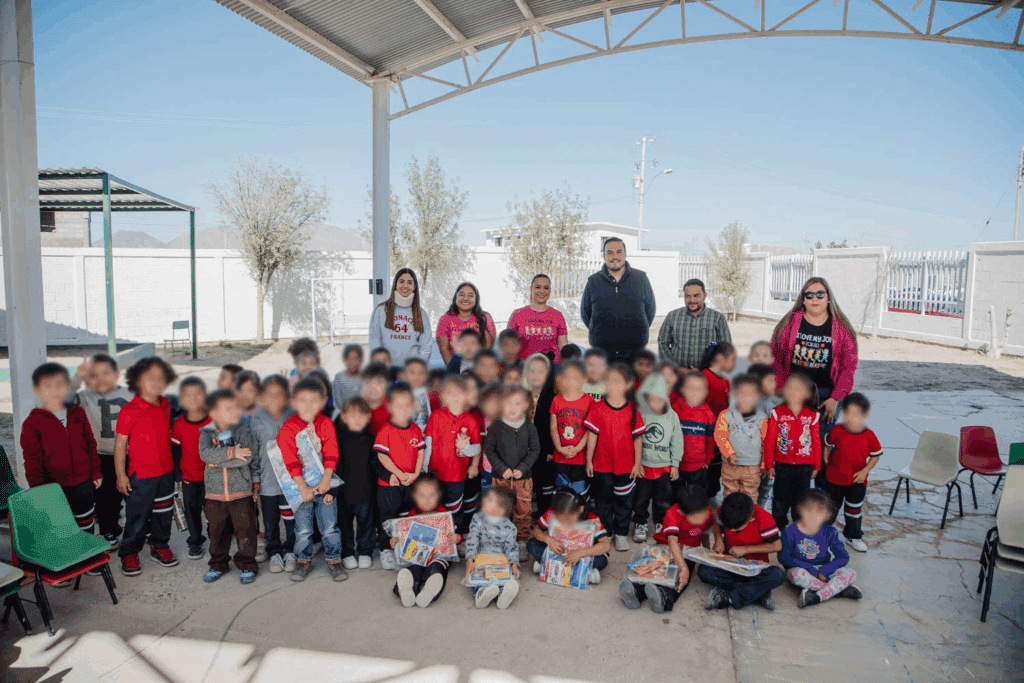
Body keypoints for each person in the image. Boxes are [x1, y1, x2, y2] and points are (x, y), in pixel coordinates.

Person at [770, 277, 859, 486]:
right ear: (803, 299)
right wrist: (782, 390)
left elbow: (848, 368)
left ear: (828, 298)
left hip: (827, 397)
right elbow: (776, 357)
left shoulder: (841, 329)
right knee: (791, 442)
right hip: (794, 395)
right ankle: (792, 493)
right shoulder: (790, 323)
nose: (815, 299)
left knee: (821, 444)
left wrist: (836, 398)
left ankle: (819, 494)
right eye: (809, 295)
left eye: (820, 294)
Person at [22, 363, 102, 561]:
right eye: (47, 385)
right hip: (54, 488)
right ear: (37, 390)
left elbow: (90, 443)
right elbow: (32, 461)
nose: (55, 390)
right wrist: (39, 490)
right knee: (61, 527)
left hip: (83, 482)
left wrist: (96, 471)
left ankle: (87, 556)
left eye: (60, 385)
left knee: (86, 522)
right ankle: (66, 560)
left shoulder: (78, 413)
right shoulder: (32, 423)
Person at [115, 357, 179, 577]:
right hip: (141, 475)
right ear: (137, 381)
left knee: (164, 513)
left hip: (166, 472)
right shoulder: (129, 410)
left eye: (160, 378)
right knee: (137, 516)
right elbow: (120, 445)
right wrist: (121, 475)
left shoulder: (165, 404)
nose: (155, 383)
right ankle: (129, 552)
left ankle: (159, 545)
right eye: (149, 378)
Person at [277, 377, 345, 582]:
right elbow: (289, 460)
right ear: (293, 402)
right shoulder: (288, 428)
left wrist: (326, 482)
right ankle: (303, 559)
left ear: (323, 402)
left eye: (313, 400)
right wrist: (302, 488)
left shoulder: (326, 424)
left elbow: (332, 452)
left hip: (324, 485)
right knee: (303, 529)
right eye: (302, 400)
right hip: (301, 488)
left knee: (330, 527)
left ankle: (334, 558)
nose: (308, 405)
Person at [621, 485, 719, 613]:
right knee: (654, 570)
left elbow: (713, 524)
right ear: (682, 513)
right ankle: (636, 590)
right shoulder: (672, 514)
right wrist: (683, 568)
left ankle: (665, 596)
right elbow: (672, 542)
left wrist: (717, 540)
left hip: (689, 552)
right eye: (698, 515)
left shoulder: (706, 511)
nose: (703, 517)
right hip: (664, 546)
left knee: (680, 578)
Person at [199, 389, 260, 584]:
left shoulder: (243, 431)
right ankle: (218, 564)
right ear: (213, 413)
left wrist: (216, 461)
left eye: (236, 408)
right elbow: (204, 454)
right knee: (217, 532)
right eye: (228, 408)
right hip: (214, 494)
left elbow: (246, 458)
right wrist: (232, 452)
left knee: (246, 531)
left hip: (241, 492)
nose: (235, 412)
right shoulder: (206, 433)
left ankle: (247, 564)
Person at [73, 353, 134, 548]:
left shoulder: (131, 394)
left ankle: (139, 528)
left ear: (117, 374)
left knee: (135, 494)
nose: (99, 379)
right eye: (93, 375)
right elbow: (62, 398)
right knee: (106, 498)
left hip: (132, 454)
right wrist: (77, 377)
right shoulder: (84, 396)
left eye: (105, 373)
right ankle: (109, 529)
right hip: (102, 455)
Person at [585, 363, 646, 552]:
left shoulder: (632, 410)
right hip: (601, 465)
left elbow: (638, 439)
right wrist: (589, 461)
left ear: (628, 384)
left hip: (626, 467)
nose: (613, 385)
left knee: (624, 502)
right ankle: (606, 533)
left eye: (618, 381)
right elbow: (592, 436)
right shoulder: (597, 408)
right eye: (609, 381)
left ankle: (621, 534)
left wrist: (637, 464)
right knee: (603, 502)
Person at [239, 375, 296, 574]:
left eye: (279, 395)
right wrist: (255, 479)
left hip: (291, 481)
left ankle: (290, 550)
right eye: (269, 395)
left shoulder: (293, 416)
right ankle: (275, 552)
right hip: (267, 482)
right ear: (261, 398)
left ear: (287, 397)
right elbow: (253, 454)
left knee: (291, 520)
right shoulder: (256, 421)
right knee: (270, 522)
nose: (274, 399)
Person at [699, 492, 786, 611]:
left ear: (750, 519)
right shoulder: (726, 510)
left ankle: (730, 597)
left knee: (778, 574)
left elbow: (777, 546)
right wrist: (718, 539)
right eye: (730, 527)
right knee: (703, 571)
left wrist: (746, 549)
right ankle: (757, 592)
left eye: (736, 528)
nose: (733, 531)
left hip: (755, 568)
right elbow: (715, 522)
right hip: (731, 565)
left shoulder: (763, 518)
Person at [779, 489, 861, 608]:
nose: (813, 516)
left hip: (824, 568)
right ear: (800, 509)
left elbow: (843, 557)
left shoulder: (830, 532)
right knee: (796, 575)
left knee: (851, 573)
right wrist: (813, 571)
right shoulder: (790, 532)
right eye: (809, 510)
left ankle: (816, 596)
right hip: (802, 569)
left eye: (819, 512)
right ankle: (838, 590)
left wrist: (825, 571)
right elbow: (784, 558)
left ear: (827, 514)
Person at [375, 382, 426, 570]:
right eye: (399, 405)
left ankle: (404, 547)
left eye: (407, 405)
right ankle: (385, 549)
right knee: (389, 518)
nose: (404, 409)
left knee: (406, 516)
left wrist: (416, 474)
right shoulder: (386, 430)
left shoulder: (415, 429)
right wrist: (398, 473)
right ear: (390, 407)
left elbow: (420, 452)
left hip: (410, 482)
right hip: (390, 485)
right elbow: (382, 456)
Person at [822, 393, 882, 553]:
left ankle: (853, 536)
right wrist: (826, 459)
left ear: (864, 415)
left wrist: (864, 472)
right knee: (830, 509)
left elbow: (875, 456)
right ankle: (823, 536)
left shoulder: (869, 435)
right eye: (848, 413)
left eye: (856, 414)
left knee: (854, 511)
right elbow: (827, 443)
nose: (851, 417)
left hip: (857, 482)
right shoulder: (836, 430)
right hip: (834, 480)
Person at [580, 237, 656, 363]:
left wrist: (639, 332)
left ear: (625, 254)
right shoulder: (593, 281)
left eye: (619, 252)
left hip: (635, 353)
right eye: (610, 252)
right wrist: (600, 333)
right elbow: (585, 313)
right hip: (602, 353)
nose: (614, 256)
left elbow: (650, 310)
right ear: (604, 256)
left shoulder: (641, 279)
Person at [393, 474, 463, 608]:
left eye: (431, 496)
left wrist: (458, 538)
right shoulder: (412, 515)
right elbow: (404, 537)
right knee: (413, 566)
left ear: (439, 495)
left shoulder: (444, 515)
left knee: (437, 567)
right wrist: (396, 541)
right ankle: (406, 589)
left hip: (439, 555)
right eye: (422, 496)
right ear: (414, 496)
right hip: (418, 554)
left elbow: (455, 534)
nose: (427, 500)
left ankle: (429, 590)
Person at [763, 373, 821, 532]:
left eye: (797, 389)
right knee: (780, 498)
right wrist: (769, 464)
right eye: (789, 388)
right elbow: (769, 440)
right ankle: (778, 527)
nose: (792, 392)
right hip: (783, 465)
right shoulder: (777, 413)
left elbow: (816, 442)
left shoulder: (813, 415)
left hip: (805, 466)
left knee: (801, 499)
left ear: (807, 393)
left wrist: (816, 466)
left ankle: (798, 528)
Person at [425, 375, 482, 534]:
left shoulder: (470, 421)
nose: (455, 396)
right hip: (434, 472)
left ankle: (456, 537)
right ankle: (437, 538)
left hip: (457, 474)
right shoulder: (436, 416)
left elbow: (477, 448)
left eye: (459, 392)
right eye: (449, 392)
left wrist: (472, 461)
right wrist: (423, 467)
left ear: (466, 395)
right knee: (435, 507)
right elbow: (428, 442)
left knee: (455, 508)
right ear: (442, 396)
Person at [484, 384, 540, 541]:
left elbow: (535, 449)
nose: (513, 407)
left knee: (523, 508)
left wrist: (523, 467)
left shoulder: (529, 427)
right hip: (500, 477)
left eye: (518, 403)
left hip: (523, 478)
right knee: (500, 507)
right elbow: (489, 450)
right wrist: (501, 468)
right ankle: (499, 535)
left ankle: (521, 536)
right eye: (509, 403)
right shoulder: (495, 426)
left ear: (526, 406)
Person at [632, 371, 684, 542]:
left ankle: (660, 522)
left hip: (664, 466)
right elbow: (634, 438)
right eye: (651, 399)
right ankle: (640, 522)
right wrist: (636, 463)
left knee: (663, 499)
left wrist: (675, 464)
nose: (655, 404)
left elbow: (677, 441)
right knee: (641, 498)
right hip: (644, 466)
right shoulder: (641, 413)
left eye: (659, 399)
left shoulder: (672, 416)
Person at [528, 489, 611, 584]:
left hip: (582, 555)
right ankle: (585, 572)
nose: (565, 523)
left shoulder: (592, 519)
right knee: (531, 544)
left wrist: (580, 553)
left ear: (580, 509)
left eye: (569, 519)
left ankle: (545, 565)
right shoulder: (552, 512)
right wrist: (548, 539)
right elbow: (535, 530)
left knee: (602, 560)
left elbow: (606, 545)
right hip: (559, 552)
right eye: (561, 519)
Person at [170, 377, 211, 561]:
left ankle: (216, 535)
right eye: (188, 395)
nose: (193, 399)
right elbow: (176, 452)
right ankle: (195, 540)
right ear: (181, 399)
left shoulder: (212, 421)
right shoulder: (179, 424)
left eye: (197, 394)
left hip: (211, 476)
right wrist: (178, 476)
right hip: (189, 477)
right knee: (191, 510)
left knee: (213, 509)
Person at [334, 397, 377, 570]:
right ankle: (347, 552)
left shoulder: (371, 439)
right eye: (352, 415)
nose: (357, 419)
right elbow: (334, 465)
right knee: (344, 524)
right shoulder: (338, 439)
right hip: (343, 491)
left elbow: (375, 464)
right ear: (343, 417)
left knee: (366, 522)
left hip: (365, 489)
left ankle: (365, 551)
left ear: (368, 417)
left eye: (362, 415)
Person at [464, 487, 521, 609]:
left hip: (500, 561)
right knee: (478, 577)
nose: (484, 500)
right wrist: (469, 560)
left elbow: (511, 548)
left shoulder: (510, 528)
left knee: (506, 577)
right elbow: (472, 539)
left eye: (490, 499)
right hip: (480, 559)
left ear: (501, 509)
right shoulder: (477, 518)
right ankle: (480, 593)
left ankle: (502, 594)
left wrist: (514, 565)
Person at [714, 374, 769, 501]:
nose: (747, 397)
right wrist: (728, 452)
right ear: (735, 394)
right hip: (730, 465)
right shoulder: (726, 415)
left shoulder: (762, 418)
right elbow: (720, 436)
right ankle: (729, 513)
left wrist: (765, 463)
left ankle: (749, 514)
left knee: (750, 494)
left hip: (753, 466)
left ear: (759, 396)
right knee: (729, 492)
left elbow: (766, 442)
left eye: (752, 394)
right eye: (743, 393)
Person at [658, 279, 733, 371]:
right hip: (677, 373)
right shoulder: (672, 316)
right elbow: (662, 342)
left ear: (704, 296)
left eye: (696, 296)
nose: (692, 300)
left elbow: (726, 347)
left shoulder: (718, 318)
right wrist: (676, 367)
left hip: (707, 374)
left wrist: (707, 370)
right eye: (687, 296)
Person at [369, 268, 433, 365]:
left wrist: (416, 369)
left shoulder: (421, 314)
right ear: (395, 284)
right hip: (386, 369)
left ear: (414, 287)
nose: (405, 285)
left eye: (409, 282)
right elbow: (374, 341)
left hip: (411, 370)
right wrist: (381, 365)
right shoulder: (380, 310)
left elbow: (426, 347)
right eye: (401, 281)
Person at [549, 360, 594, 496]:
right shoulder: (557, 400)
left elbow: (589, 429)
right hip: (560, 456)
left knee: (579, 492)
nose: (571, 382)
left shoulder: (589, 401)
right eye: (567, 377)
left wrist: (578, 448)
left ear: (584, 379)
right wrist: (559, 448)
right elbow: (553, 426)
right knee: (561, 492)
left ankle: (580, 509)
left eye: (575, 378)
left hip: (580, 457)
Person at [700, 342, 736, 500]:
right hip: (704, 431)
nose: (734, 364)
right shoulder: (704, 377)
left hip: (718, 431)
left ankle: (711, 492)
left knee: (715, 464)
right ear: (721, 358)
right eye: (732, 359)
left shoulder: (725, 381)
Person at [670, 371, 716, 493]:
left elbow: (710, 440)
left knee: (698, 494)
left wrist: (708, 460)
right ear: (682, 390)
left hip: (698, 466)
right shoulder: (674, 410)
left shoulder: (708, 415)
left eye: (699, 389)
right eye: (690, 388)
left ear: (706, 392)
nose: (695, 392)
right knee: (676, 494)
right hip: (676, 465)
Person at [506, 274, 569, 362]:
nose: (542, 291)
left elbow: (563, 347)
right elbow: (508, 346)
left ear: (550, 291)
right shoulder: (517, 314)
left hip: (551, 367)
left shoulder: (558, 316)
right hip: (524, 367)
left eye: (546, 288)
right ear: (531, 289)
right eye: (538, 287)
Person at [436, 282, 496, 364]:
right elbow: (444, 350)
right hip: (456, 367)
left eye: (470, 295)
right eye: (461, 294)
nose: (465, 298)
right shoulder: (445, 319)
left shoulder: (485, 318)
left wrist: (479, 369)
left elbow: (487, 350)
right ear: (455, 297)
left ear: (476, 299)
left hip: (480, 367)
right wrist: (454, 369)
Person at [361, 363, 391, 435]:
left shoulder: (393, 408)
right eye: (368, 382)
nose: (373, 386)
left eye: (379, 381)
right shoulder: (356, 407)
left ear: (387, 385)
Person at [404, 357, 433, 433]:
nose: (417, 376)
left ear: (426, 375)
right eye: (412, 372)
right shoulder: (400, 394)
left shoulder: (429, 393)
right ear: (404, 375)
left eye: (421, 373)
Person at [332, 344, 364, 409]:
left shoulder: (366, 377)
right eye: (349, 358)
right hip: (343, 412)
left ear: (361, 360)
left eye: (355, 358)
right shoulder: (339, 378)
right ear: (345, 360)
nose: (352, 362)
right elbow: (338, 402)